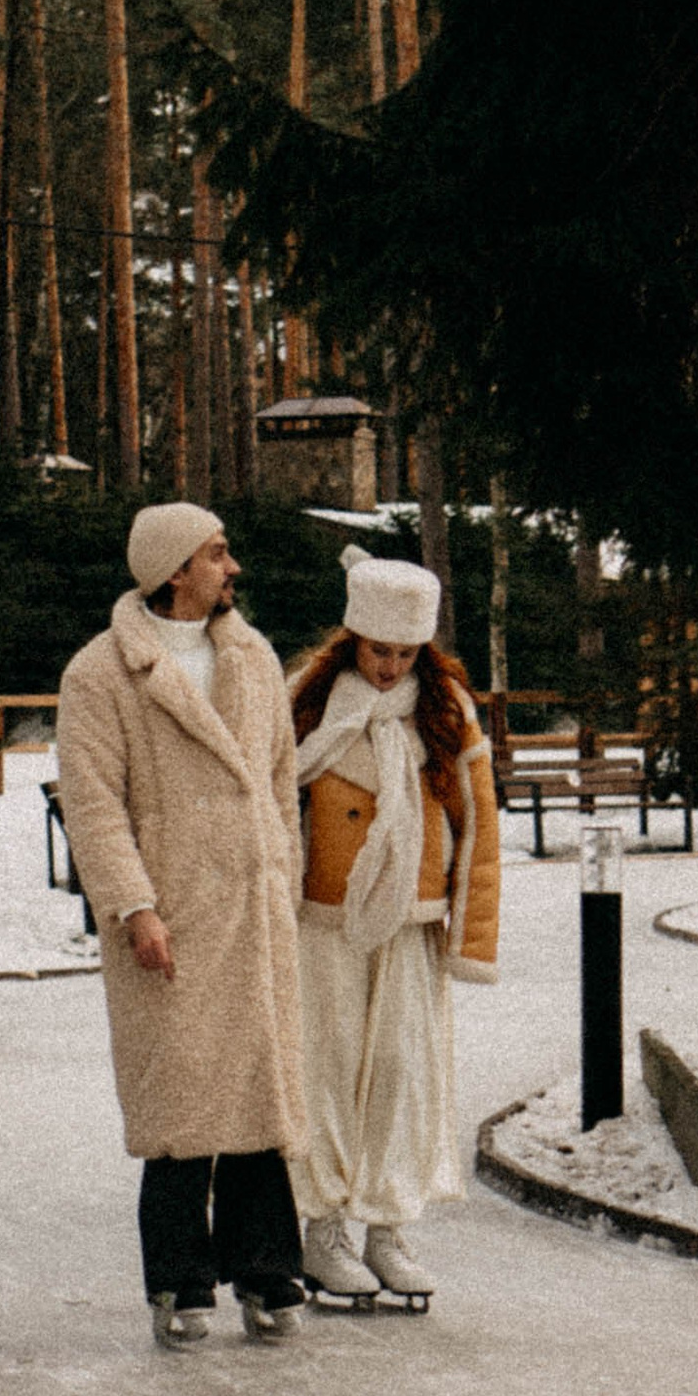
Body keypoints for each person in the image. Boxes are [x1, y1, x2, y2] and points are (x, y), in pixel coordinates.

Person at [56, 502, 311, 1352]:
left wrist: (282, 874)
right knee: (180, 1102)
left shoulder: (253, 655)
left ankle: (271, 1272)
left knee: (256, 1094)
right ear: (173, 570)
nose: (231, 568)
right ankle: (178, 1279)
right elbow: (93, 807)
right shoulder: (102, 673)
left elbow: (278, 783)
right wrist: (134, 906)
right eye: (216, 554)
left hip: (251, 910)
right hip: (168, 919)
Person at [286, 546, 500, 1302]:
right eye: (379, 650)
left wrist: (470, 937)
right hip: (325, 920)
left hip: (411, 921)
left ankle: (387, 1227)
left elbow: (477, 826)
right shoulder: (309, 703)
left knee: (402, 1078)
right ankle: (324, 1229)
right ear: (354, 638)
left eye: (404, 652)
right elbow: (279, 808)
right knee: (328, 1071)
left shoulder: (445, 710)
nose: (389, 666)